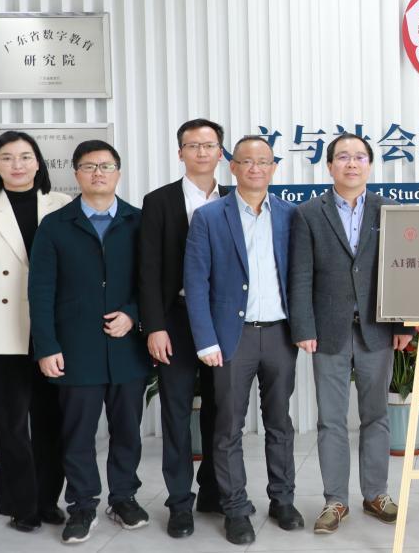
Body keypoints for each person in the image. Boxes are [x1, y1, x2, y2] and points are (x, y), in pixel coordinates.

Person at [288, 133, 414, 534]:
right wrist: (304, 327)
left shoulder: (389, 210)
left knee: (376, 415)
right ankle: (335, 501)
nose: (352, 163)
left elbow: (402, 271)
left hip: (377, 329)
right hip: (328, 331)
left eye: (360, 157)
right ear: (329, 166)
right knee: (331, 419)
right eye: (343, 157)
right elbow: (300, 275)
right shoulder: (308, 213)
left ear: (369, 165)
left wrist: (403, 324)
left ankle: (376, 494)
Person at [29, 140, 151, 544]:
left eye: (106, 166)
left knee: (127, 430)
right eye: (89, 166)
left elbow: (153, 281)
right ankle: (82, 504)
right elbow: (40, 290)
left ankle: (123, 497)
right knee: (77, 433)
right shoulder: (55, 225)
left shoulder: (139, 221)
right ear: (76, 174)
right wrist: (46, 346)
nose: (98, 173)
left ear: (118, 172)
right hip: (75, 348)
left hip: (127, 349)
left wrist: (133, 313)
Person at [183, 135, 300, 545]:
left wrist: (304, 330)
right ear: (232, 166)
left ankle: (283, 500)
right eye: (247, 161)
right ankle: (235, 508)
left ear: (273, 167)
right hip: (232, 338)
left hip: (280, 334)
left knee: (280, 423)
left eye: (263, 161)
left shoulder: (290, 215)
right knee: (228, 427)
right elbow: (196, 283)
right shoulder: (209, 217)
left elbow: (300, 277)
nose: (255, 168)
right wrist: (205, 340)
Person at [0, 131, 70, 533]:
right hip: (5, 330)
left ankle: (48, 501)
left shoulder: (61, 204)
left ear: (38, 162)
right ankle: (20, 505)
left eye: (25, 156)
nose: (17, 164)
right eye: (7, 157)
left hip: (53, 331)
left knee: (51, 420)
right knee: (11, 424)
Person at [138, 119, 228, 537]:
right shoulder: (159, 201)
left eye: (209, 145)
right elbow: (147, 270)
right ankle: (179, 502)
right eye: (193, 145)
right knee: (175, 412)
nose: (202, 152)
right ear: (180, 153)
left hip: (221, 321)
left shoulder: (234, 198)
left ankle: (213, 490)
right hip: (175, 319)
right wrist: (154, 326)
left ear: (221, 152)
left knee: (220, 409)